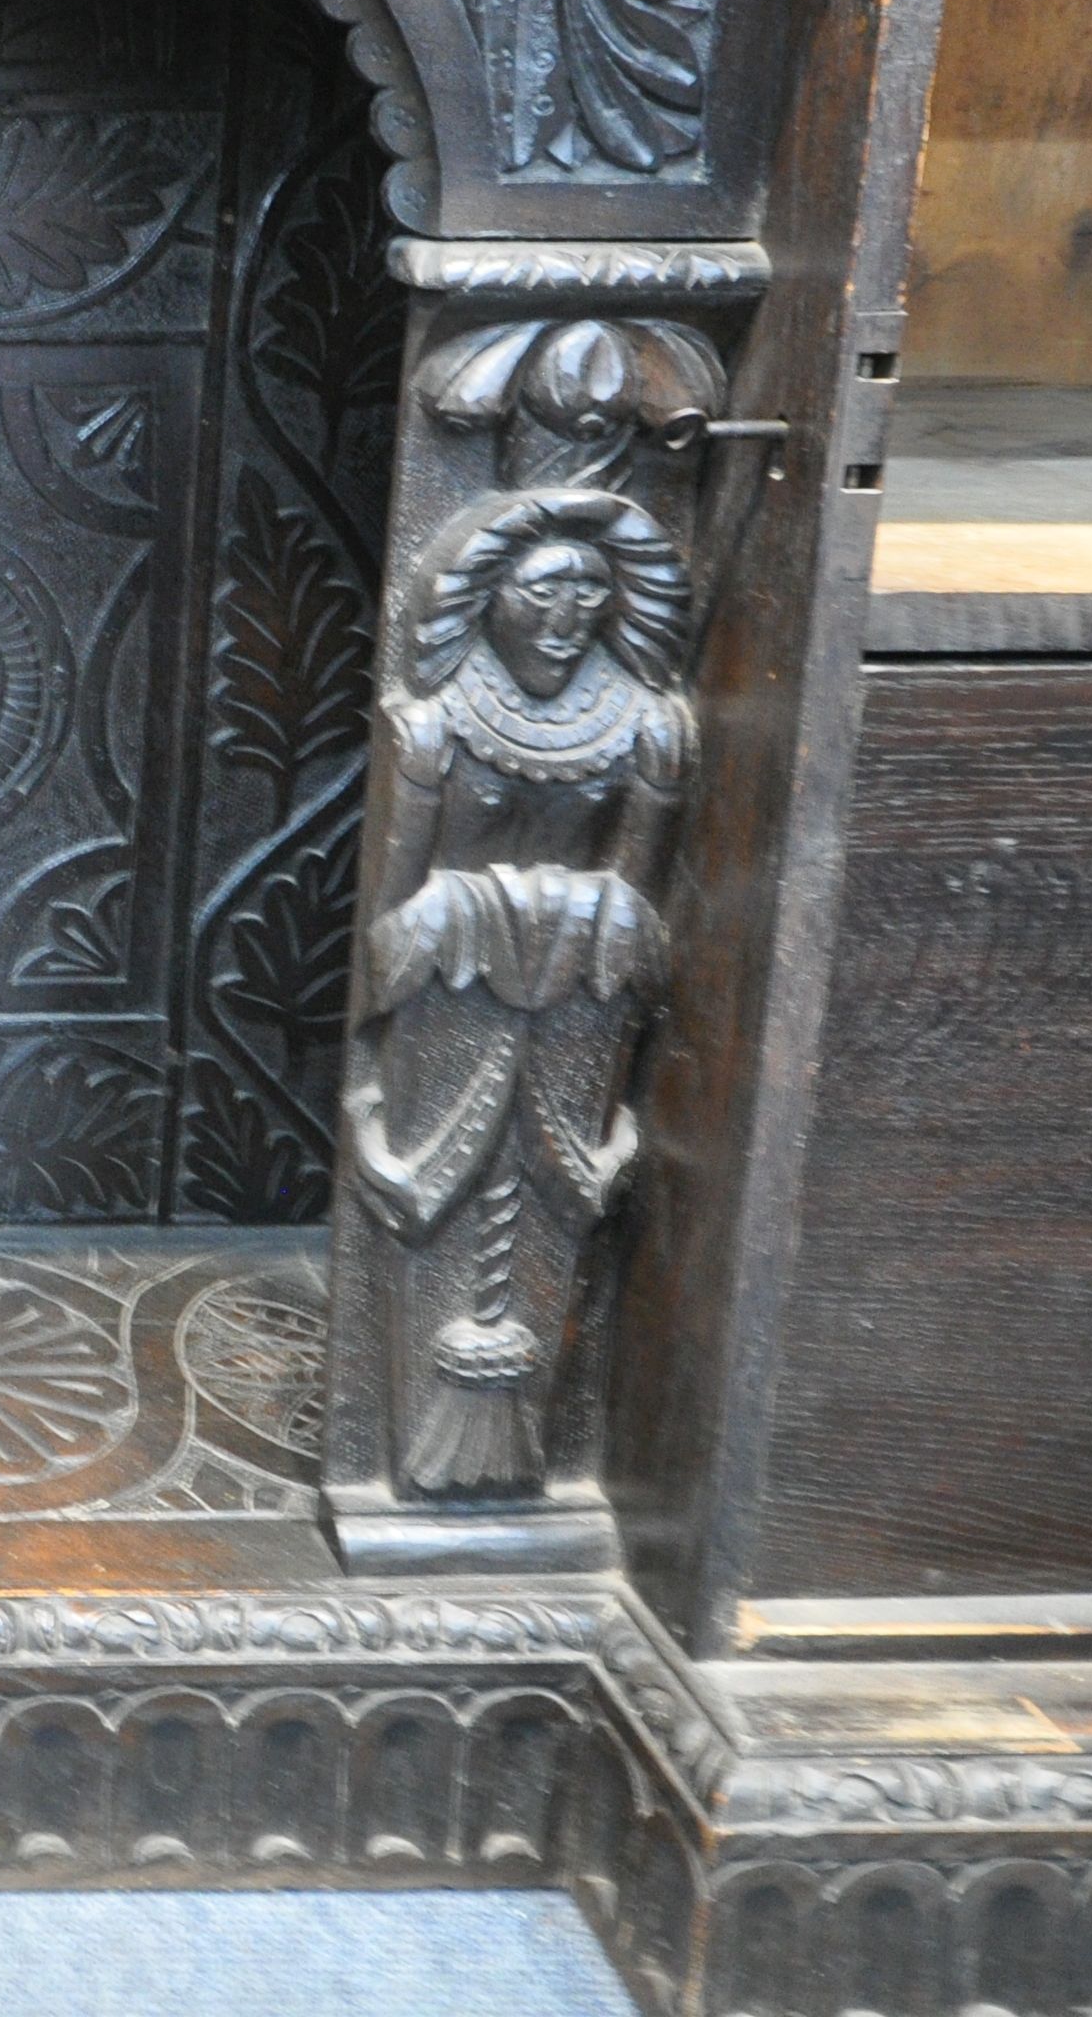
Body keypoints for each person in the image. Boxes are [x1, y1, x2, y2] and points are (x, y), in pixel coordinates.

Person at [347, 486, 695, 1498]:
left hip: (579, 1011)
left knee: (559, 1204)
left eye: (591, 588)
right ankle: (420, 1440)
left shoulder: (650, 728)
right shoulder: (434, 728)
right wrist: (485, 919)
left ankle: (509, 1463)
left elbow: (637, 905)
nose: (567, 613)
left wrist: (560, 927)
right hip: (449, 1004)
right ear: (484, 595)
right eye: (543, 587)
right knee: (427, 1200)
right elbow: (394, 912)